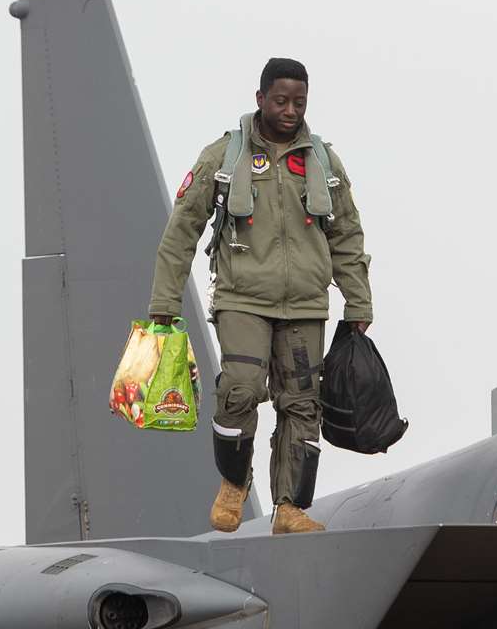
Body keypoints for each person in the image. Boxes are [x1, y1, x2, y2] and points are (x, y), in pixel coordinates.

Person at [147, 57, 372, 534]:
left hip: (306, 304)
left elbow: (347, 235)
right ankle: (234, 481)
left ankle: (289, 507)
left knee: (302, 404)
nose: (290, 110)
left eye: (299, 102)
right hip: (242, 298)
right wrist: (164, 304)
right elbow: (182, 229)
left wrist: (358, 302)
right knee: (239, 390)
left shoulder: (323, 163)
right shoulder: (223, 157)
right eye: (281, 100)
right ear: (260, 99)